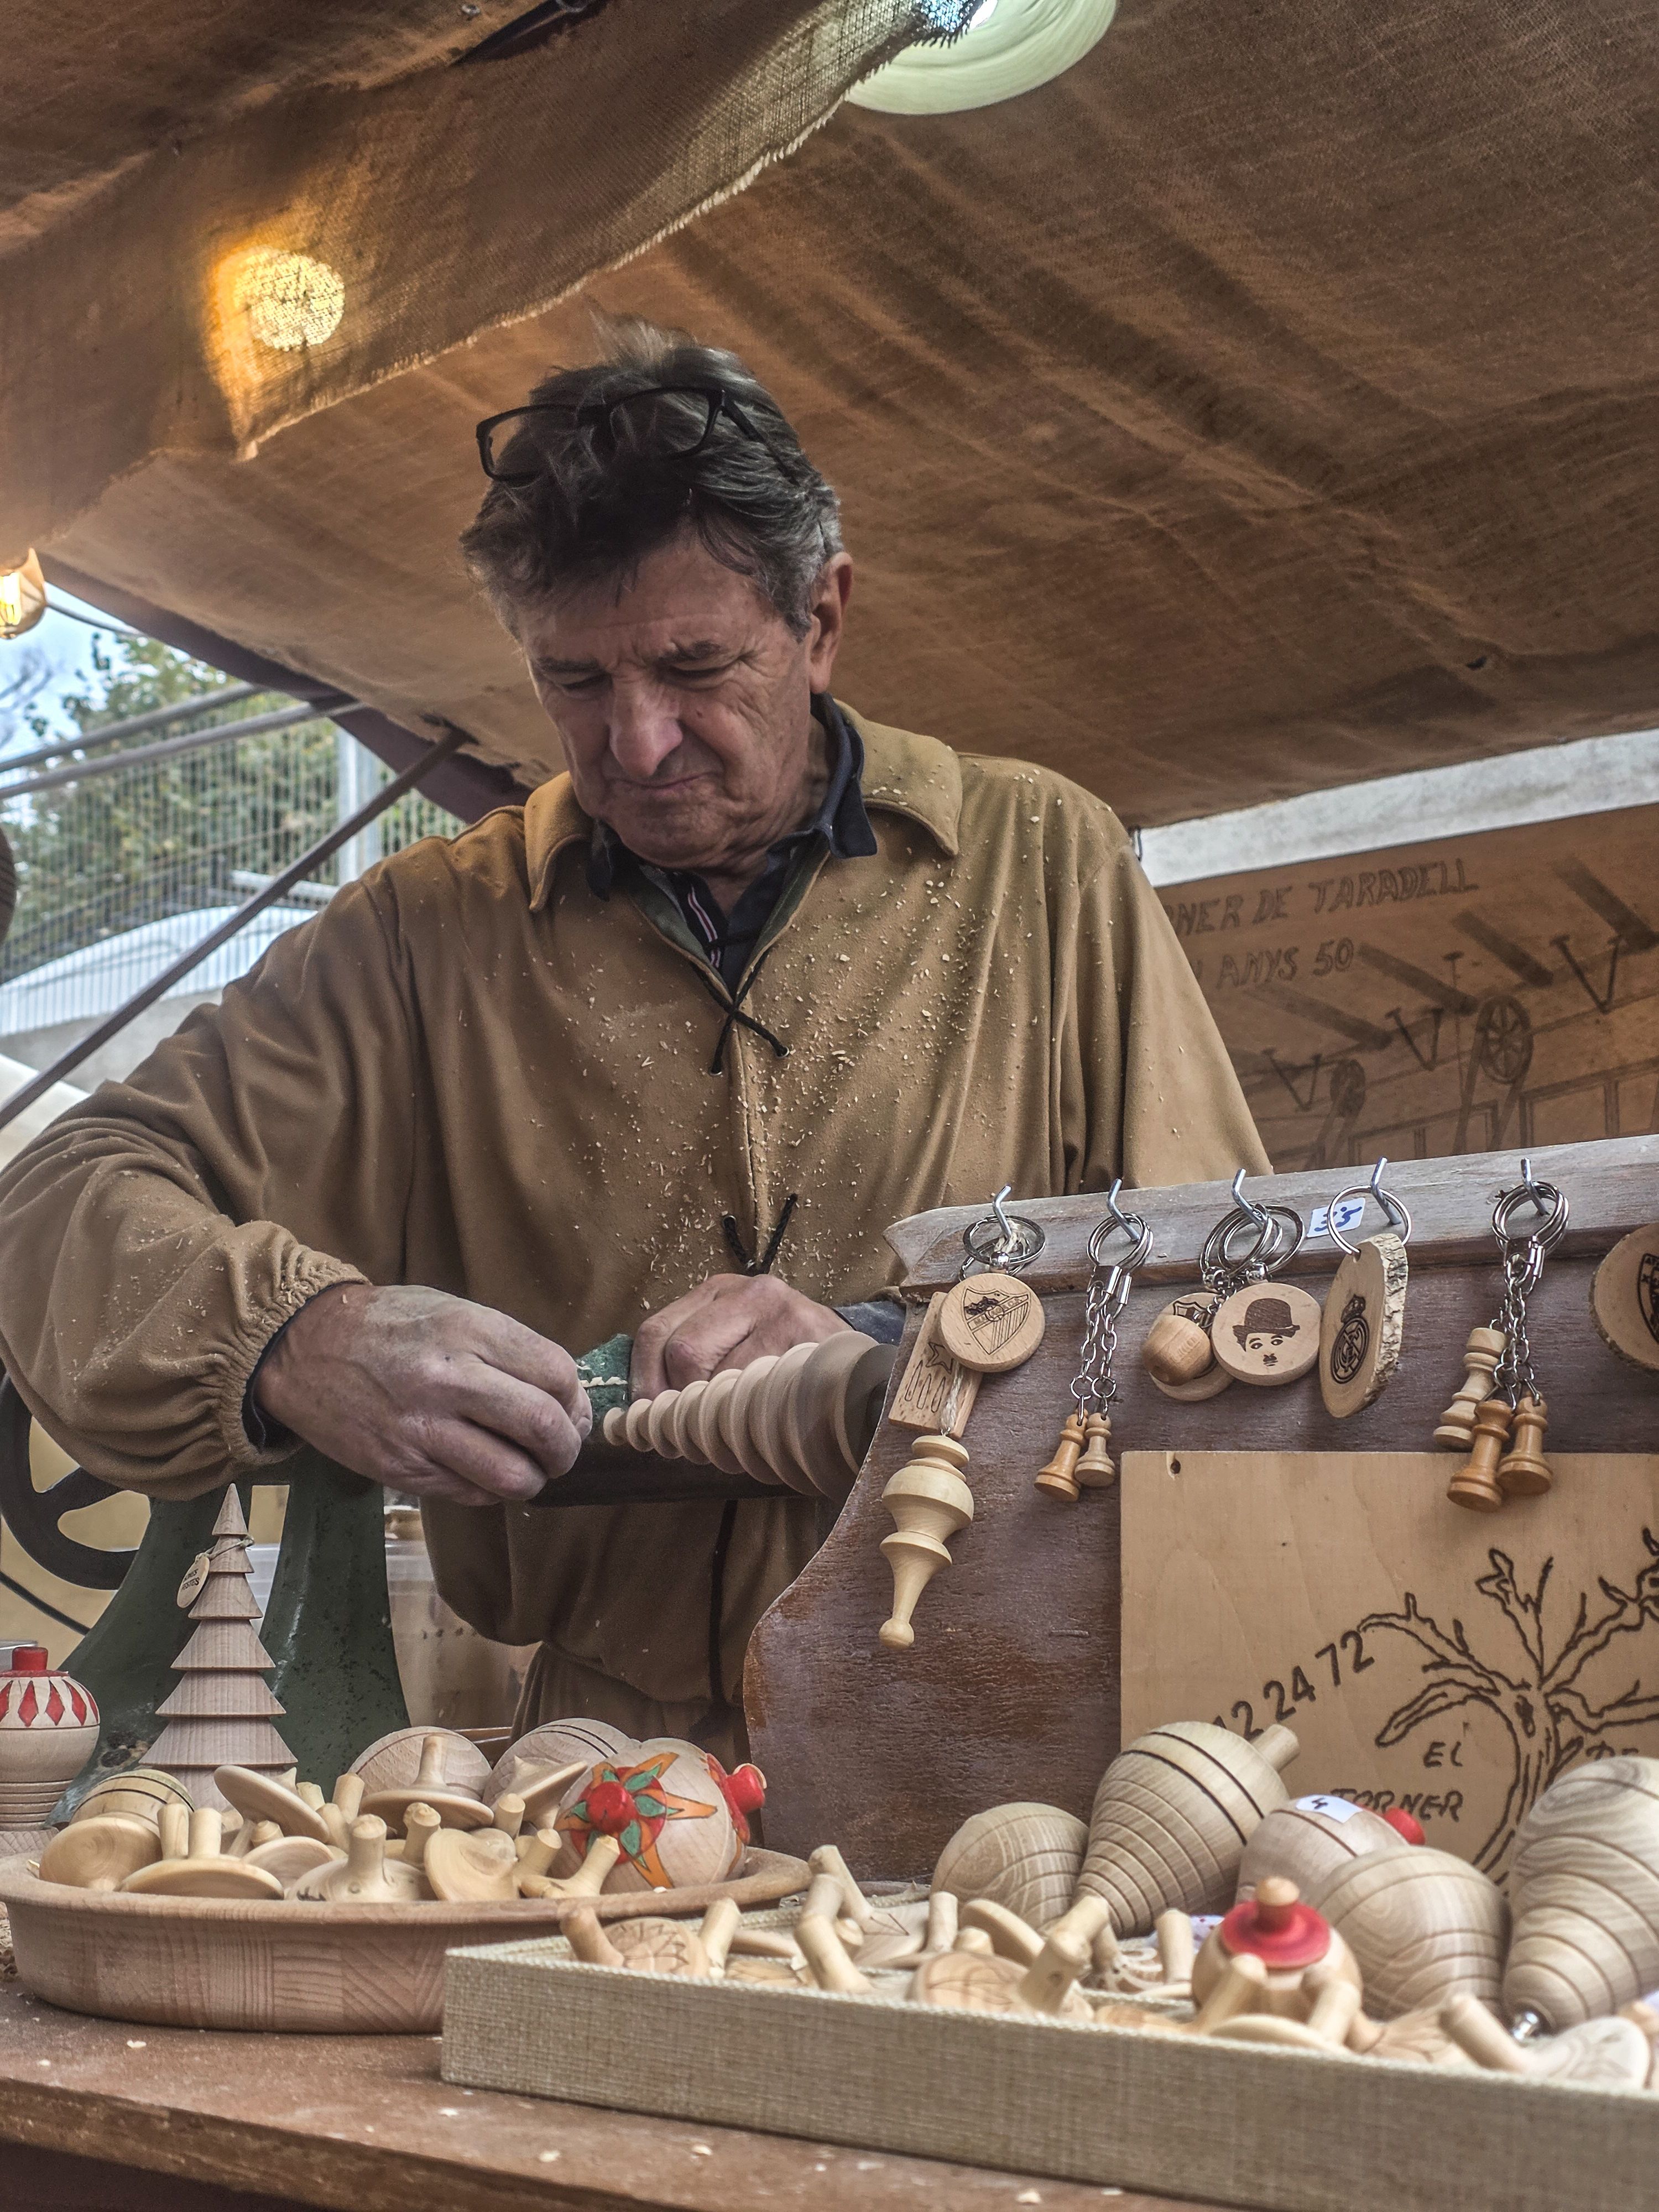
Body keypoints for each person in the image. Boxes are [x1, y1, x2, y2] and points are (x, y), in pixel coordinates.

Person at [0, 319, 1267, 1756]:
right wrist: (293, 1331)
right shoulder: (428, 937)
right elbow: (61, 1200)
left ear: (824, 618)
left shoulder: (1044, 863)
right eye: (577, 682)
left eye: (695, 666)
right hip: (600, 1758)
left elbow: (1228, 1298)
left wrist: (887, 1352)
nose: (640, 743)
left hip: (997, 1730)